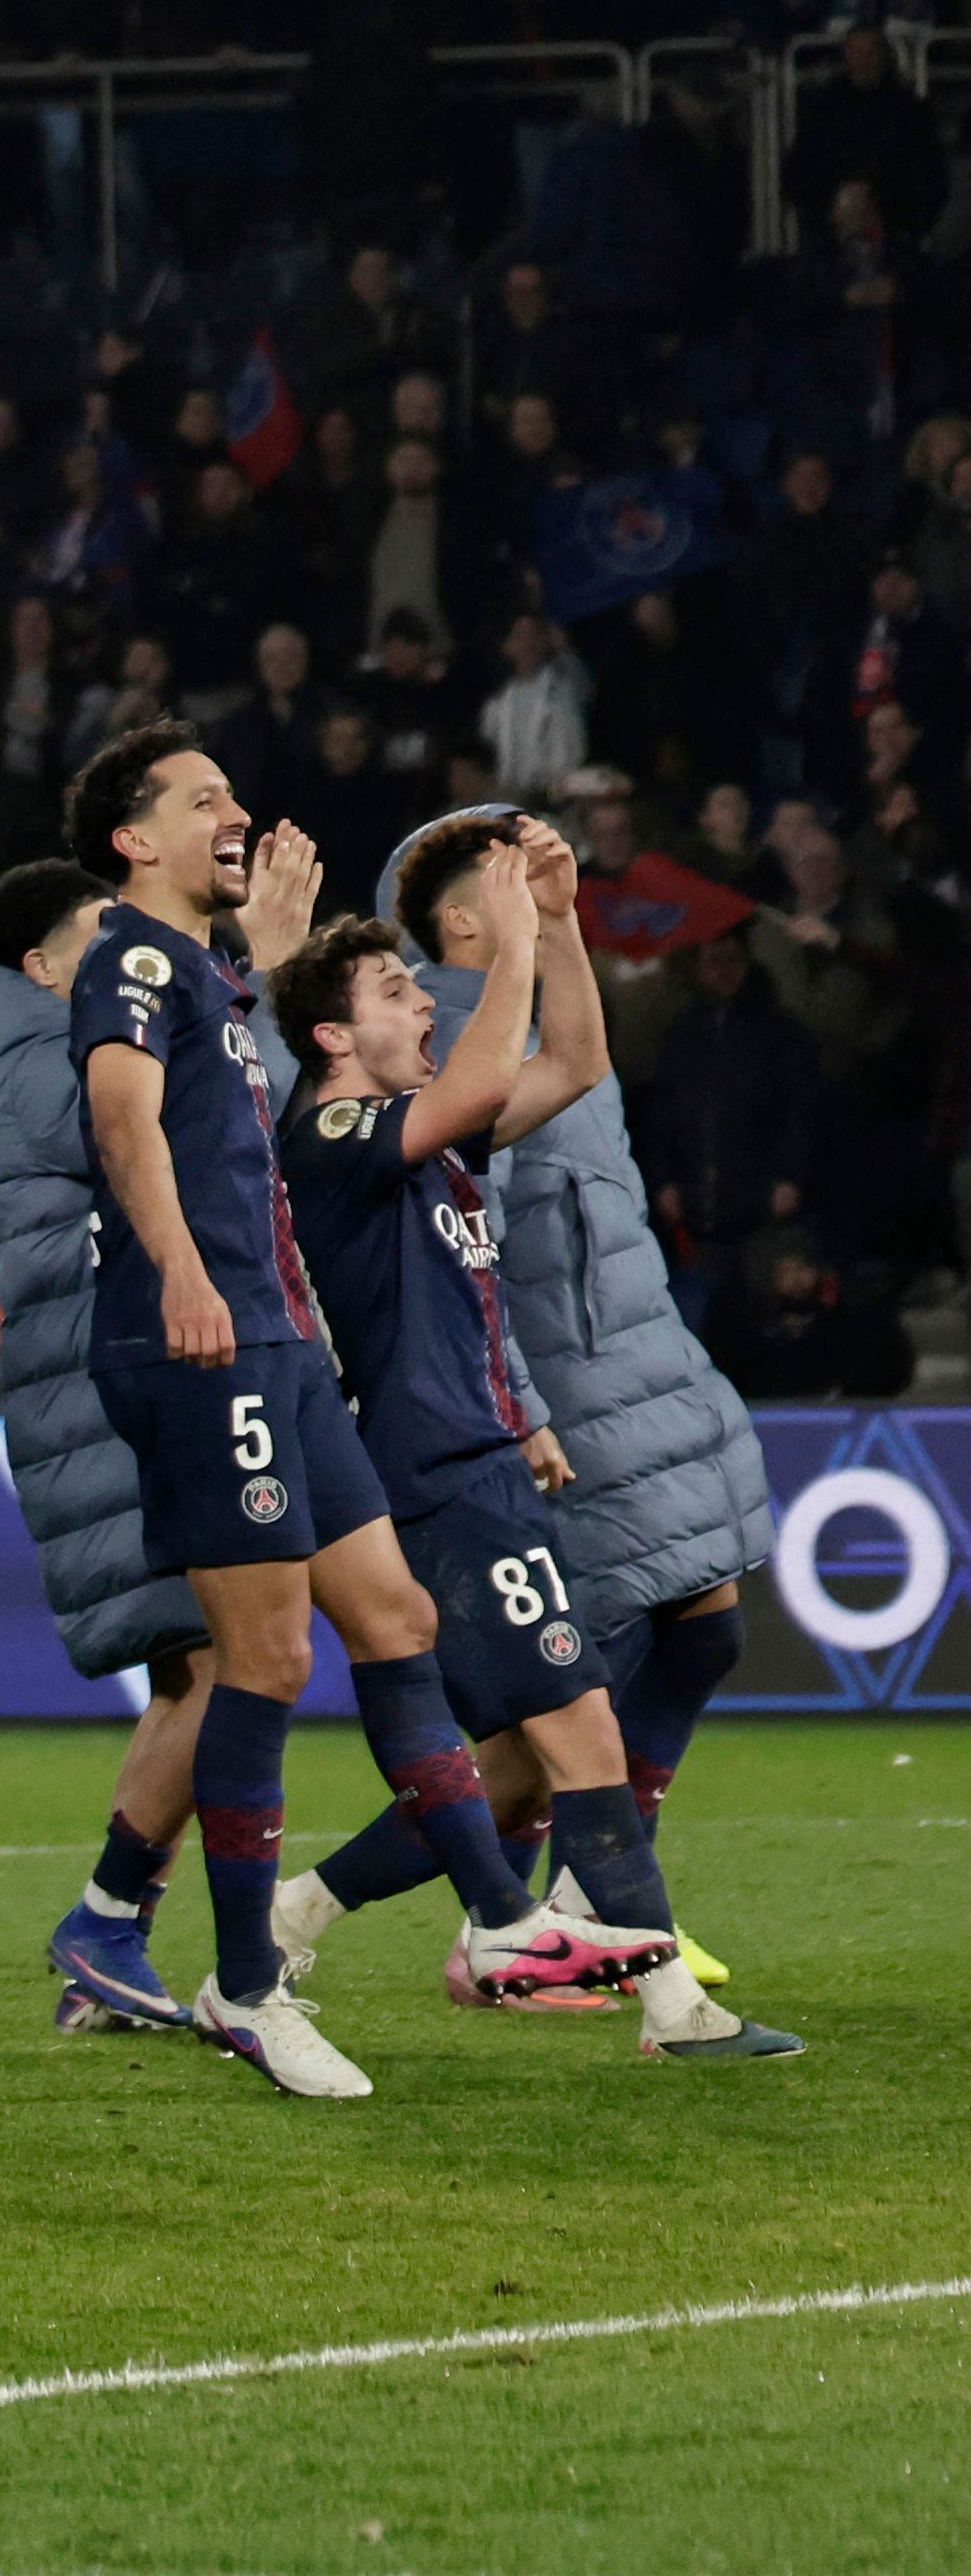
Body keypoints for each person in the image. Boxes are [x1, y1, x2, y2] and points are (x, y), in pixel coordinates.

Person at [61, 721, 639, 2102]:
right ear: (131, 839)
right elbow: (122, 1121)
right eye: (203, 800)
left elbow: (210, 1109)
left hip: (280, 1352)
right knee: (263, 1667)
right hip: (201, 1344)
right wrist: (188, 1281)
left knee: (395, 1622)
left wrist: (256, 957)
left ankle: (501, 1917)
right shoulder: (128, 962)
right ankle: (251, 1986)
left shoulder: (203, 976)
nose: (236, 812)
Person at [260, 839, 788, 2059]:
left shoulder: (419, 1138)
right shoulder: (334, 1133)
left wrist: (555, 925)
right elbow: (497, 1054)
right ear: (333, 1038)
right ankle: (675, 2010)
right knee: (578, 1738)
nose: (418, 1004)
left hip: (485, 1466)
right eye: (394, 992)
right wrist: (503, 938)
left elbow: (576, 1061)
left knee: (519, 1773)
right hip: (441, 1485)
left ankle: (300, 1908)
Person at [0, 843, 311, 2034]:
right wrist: (262, 974)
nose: (128, 956)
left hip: (121, 1352)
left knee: (199, 1658)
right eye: (103, 937)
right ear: (40, 962)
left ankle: (111, 1951)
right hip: (122, 1359)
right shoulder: (29, 1048)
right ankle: (105, 1919)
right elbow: (180, 1119)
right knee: (223, 1657)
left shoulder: (41, 1027)